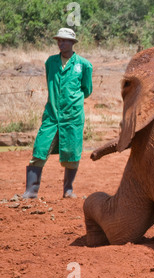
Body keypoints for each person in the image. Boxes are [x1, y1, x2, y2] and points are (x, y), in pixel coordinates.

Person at [22, 28, 93, 199]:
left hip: (73, 116)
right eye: (59, 40)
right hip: (52, 115)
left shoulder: (84, 65)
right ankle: (31, 191)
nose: (61, 43)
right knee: (40, 149)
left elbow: (87, 89)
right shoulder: (51, 62)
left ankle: (68, 190)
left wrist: (72, 100)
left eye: (65, 40)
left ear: (72, 43)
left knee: (72, 153)